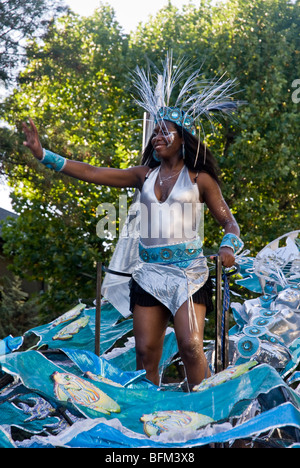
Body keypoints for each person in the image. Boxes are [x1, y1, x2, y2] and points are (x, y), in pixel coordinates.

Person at [22, 55, 244, 388]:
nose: (157, 137)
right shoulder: (143, 175)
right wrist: (45, 156)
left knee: (191, 346)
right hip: (148, 274)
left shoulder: (200, 180)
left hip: (189, 275)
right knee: (145, 352)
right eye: (154, 133)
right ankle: (147, 424)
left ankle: (206, 417)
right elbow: (94, 172)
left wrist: (228, 246)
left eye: (165, 132)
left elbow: (230, 223)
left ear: (182, 139)